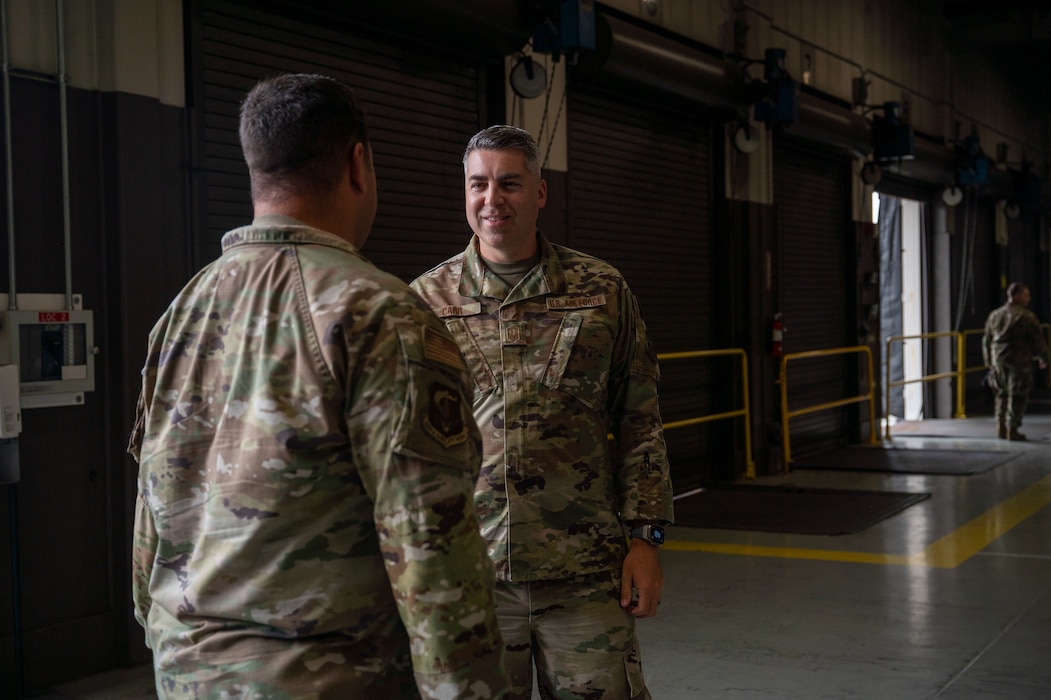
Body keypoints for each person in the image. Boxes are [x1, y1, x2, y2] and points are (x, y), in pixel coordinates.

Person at [127, 74, 510, 699]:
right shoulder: (378, 311)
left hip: (188, 675)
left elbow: (152, 512)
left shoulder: (184, 310)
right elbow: (432, 552)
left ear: (256, 169)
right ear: (358, 163)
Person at [410, 125, 674, 700]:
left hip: (583, 575)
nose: (491, 199)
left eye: (509, 183)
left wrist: (645, 540)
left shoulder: (601, 290)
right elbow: (404, 448)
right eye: (478, 185)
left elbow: (639, 417)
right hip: (469, 576)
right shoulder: (425, 303)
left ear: (540, 193)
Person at [982, 282, 1048, 440]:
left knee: (1001, 394)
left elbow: (987, 340)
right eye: (1026, 295)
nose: (1029, 298)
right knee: (1018, 395)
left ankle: (1000, 426)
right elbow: (1037, 340)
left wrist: (988, 361)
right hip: (1019, 362)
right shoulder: (1026, 316)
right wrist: (1044, 358)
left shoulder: (995, 315)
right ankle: (1013, 429)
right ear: (1016, 295)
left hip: (998, 362)